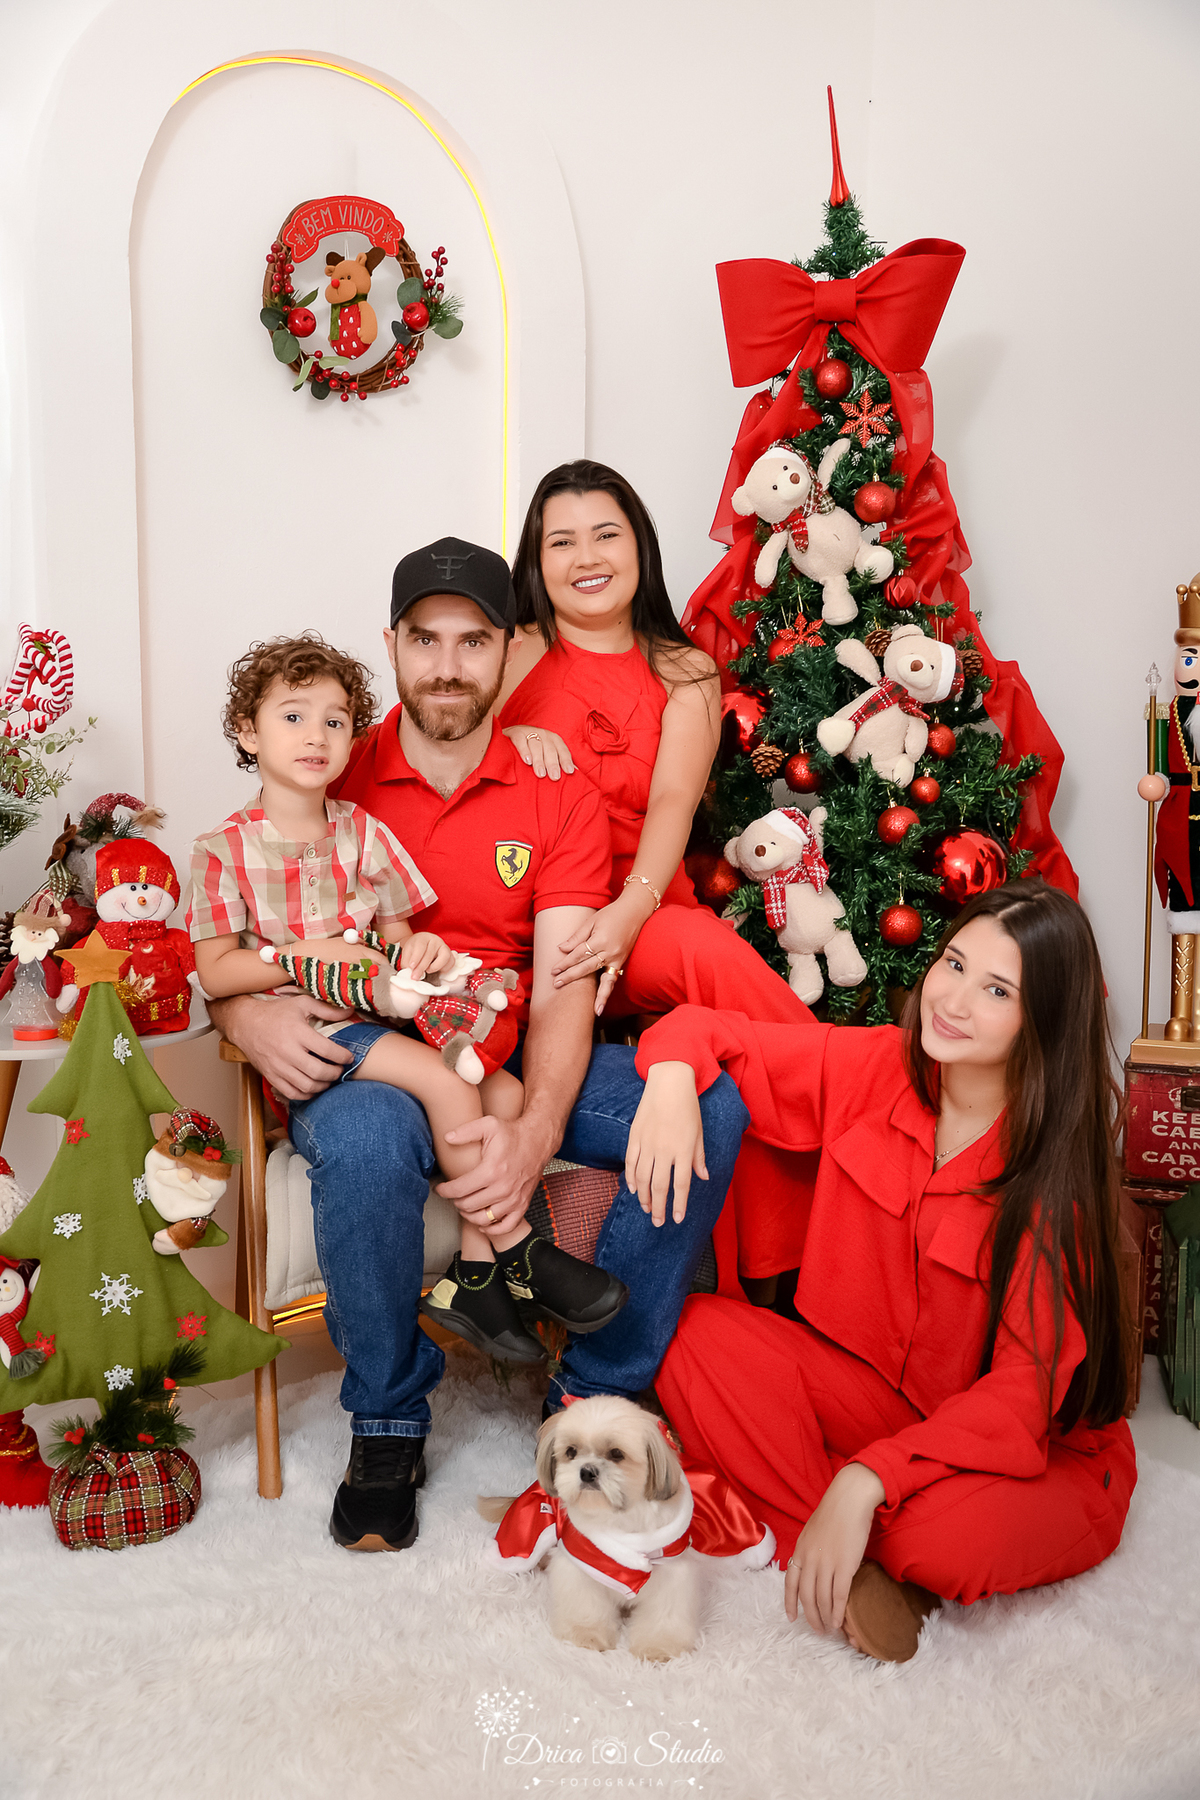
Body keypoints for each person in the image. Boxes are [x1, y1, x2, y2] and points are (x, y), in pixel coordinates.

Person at [204, 538, 749, 1554]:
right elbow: (243, 919)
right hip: (370, 1047)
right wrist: (245, 1013)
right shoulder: (332, 758)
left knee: (711, 1106)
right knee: (368, 1142)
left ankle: (594, 1393)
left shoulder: (557, 790)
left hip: (500, 1044)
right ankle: (388, 1420)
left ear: (510, 652)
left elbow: (562, 986)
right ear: (393, 647)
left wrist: (537, 1126)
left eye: (473, 641)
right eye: (425, 640)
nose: (447, 665)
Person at [623, 880, 1135, 1663]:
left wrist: (867, 1477)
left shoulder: (1051, 1183)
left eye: (996, 990)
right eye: (954, 964)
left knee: (945, 1541)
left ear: (1043, 1021)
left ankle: (848, 1518)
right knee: (692, 1336)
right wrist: (666, 1080)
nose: (954, 1001)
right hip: (877, 1399)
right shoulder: (872, 1069)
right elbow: (711, 1030)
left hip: (1026, 1448)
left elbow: (1019, 1401)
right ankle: (840, 1550)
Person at [188, 634, 625, 1369]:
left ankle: (474, 1278)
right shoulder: (223, 849)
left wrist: (414, 951)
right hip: (321, 1032)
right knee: (447, 1077)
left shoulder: (363, 831)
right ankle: (511, 1253)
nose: (316, 737)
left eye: (334, 721)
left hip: (389, 1017)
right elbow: (216, 972)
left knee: (509, 1090)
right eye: (293, 718)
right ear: (247, 732)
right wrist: (294, 959)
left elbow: (397, 934)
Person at [498, 460, 817, 1295]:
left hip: (640, 914)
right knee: (723, 1045)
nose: (585, 556)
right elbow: (441, 748)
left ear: (638, 544)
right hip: (541, 929)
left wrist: (626, 918)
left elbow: (674, 803)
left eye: (606, 533)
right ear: (536, 561)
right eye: (559, 541)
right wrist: (509, 744)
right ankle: (849, 1104)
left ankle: (837, 1132)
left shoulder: (684, 670)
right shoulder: (511, 651)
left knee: (704, 960)